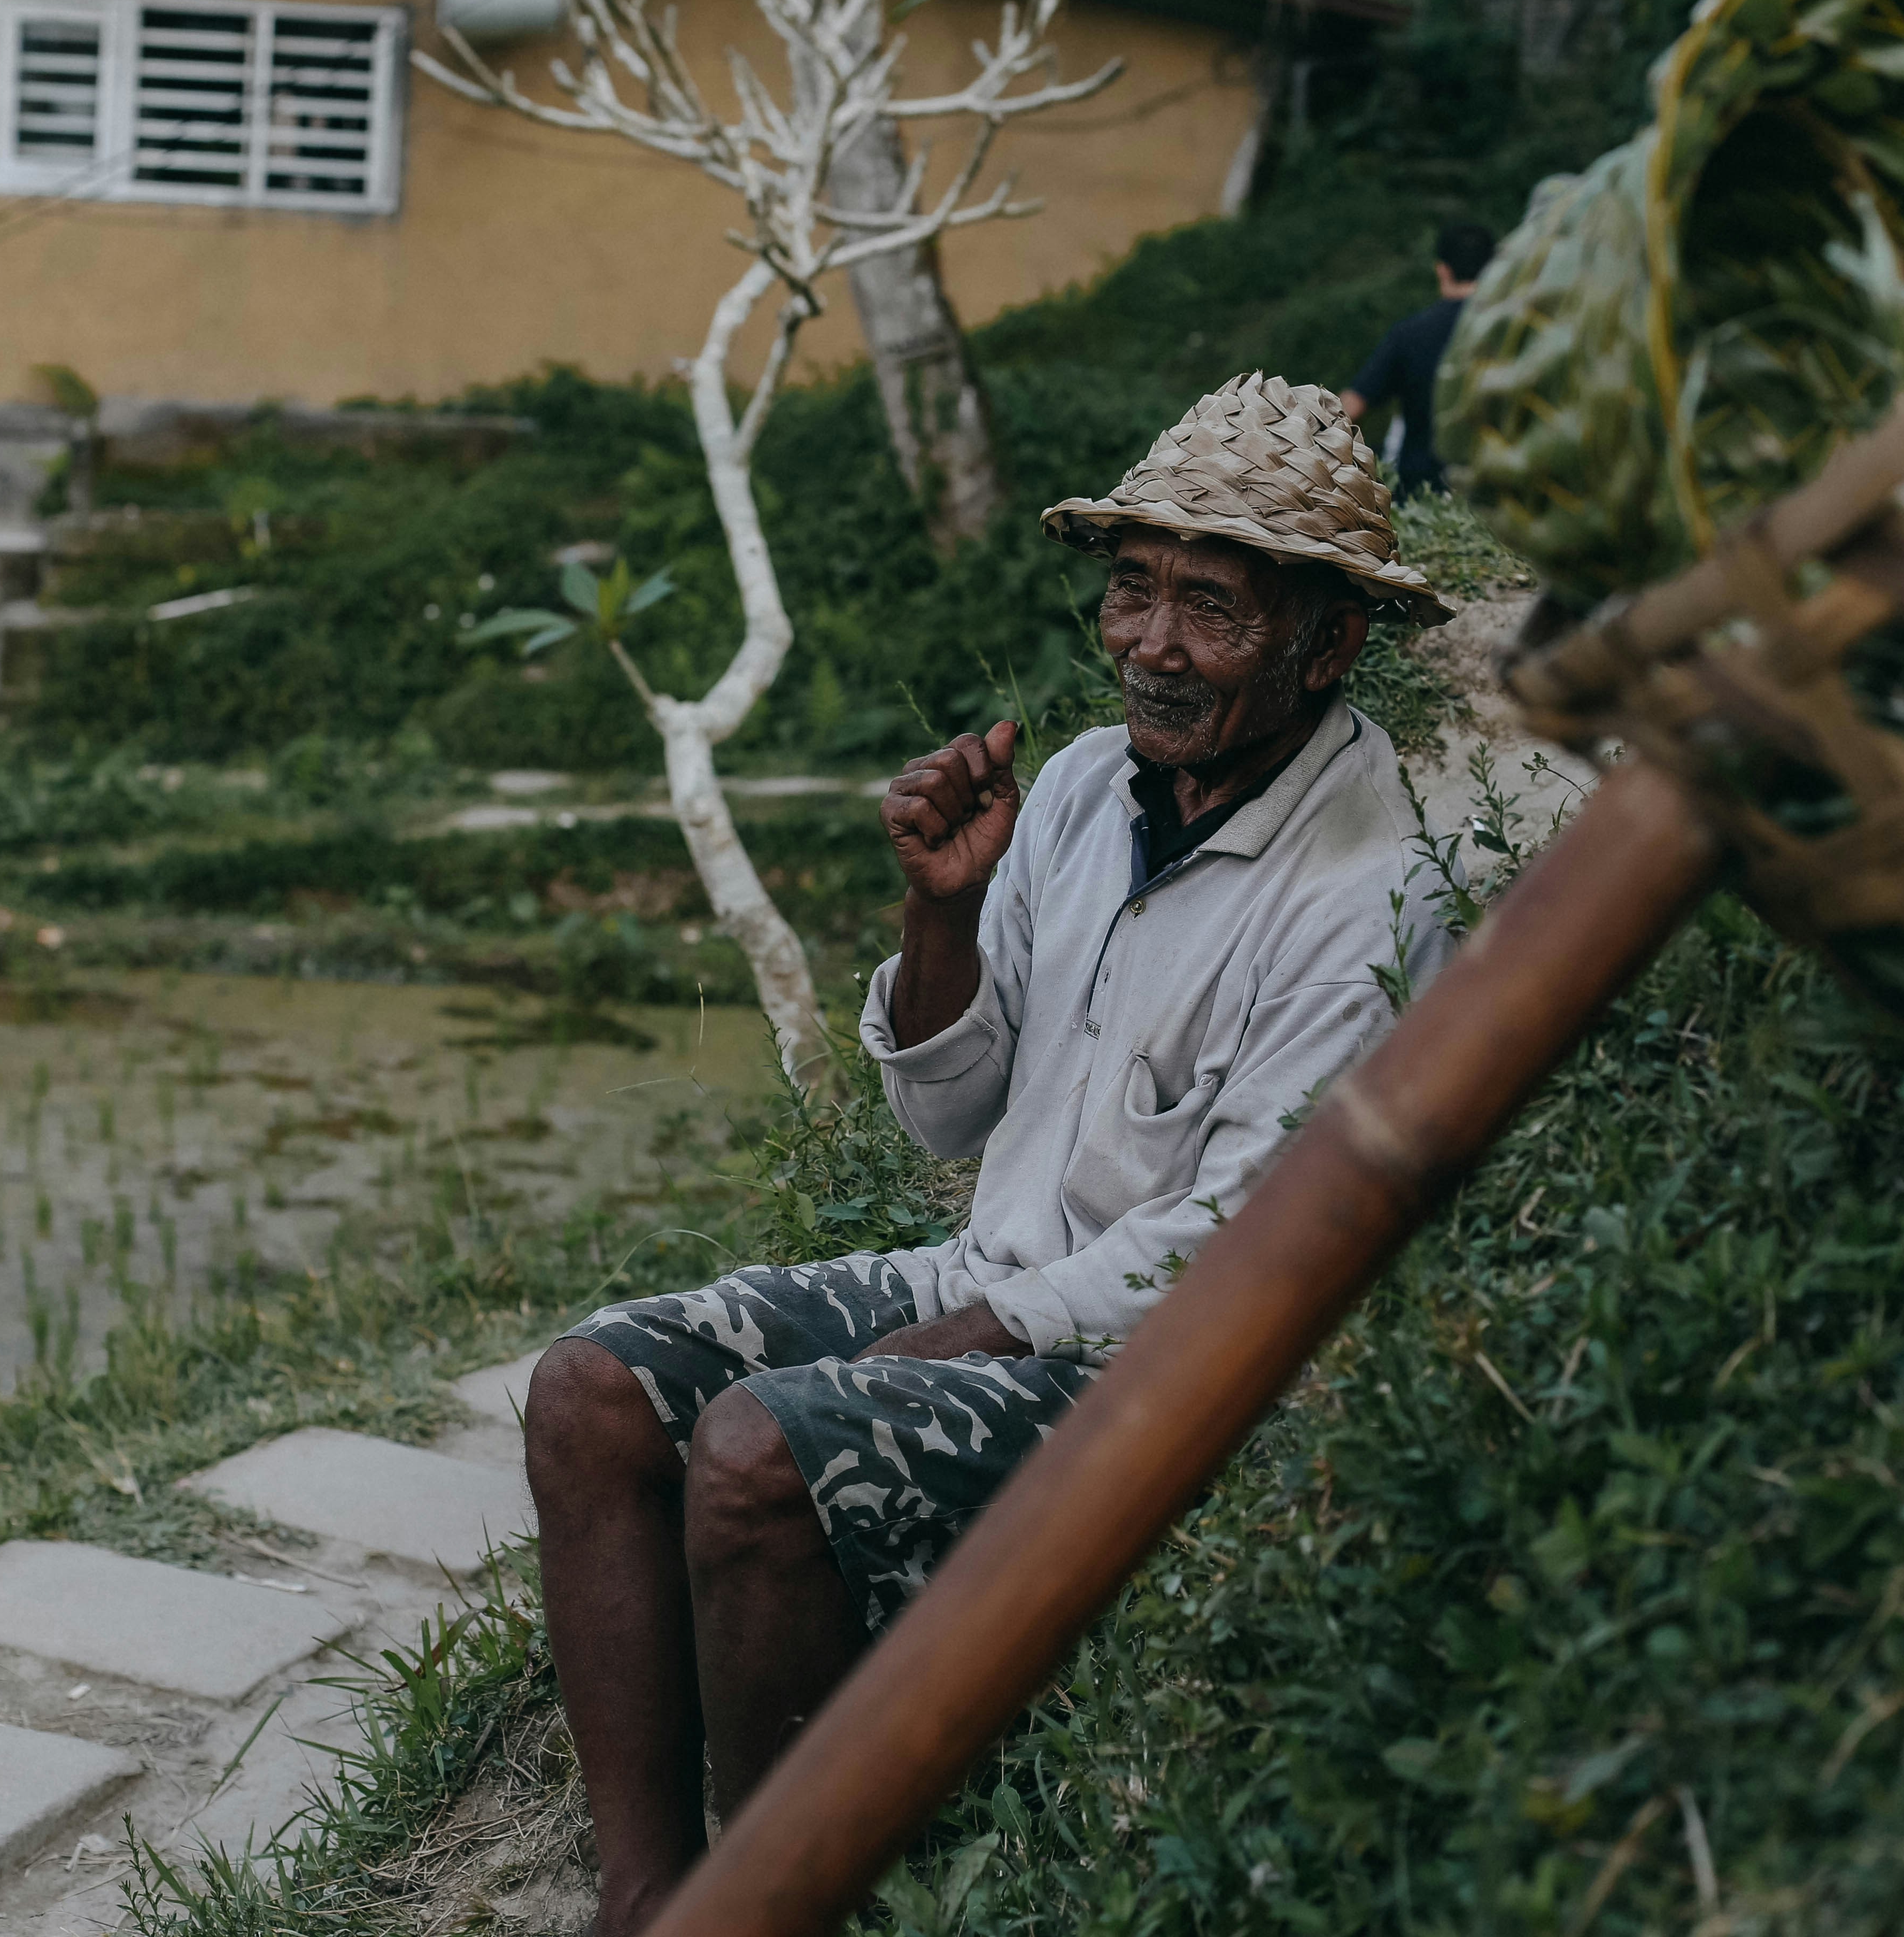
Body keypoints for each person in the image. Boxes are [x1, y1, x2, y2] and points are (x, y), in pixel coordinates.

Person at [516, 373, 1459, 1936]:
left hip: (1169, 1363)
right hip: (989, 1270)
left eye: (1213, 609)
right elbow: (949, 1118)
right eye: (1134, 591)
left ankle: (775, 1899)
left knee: (757, 1449)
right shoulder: (1087, 786)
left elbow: (1246, 1235)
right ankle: (645, 1896)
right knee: (589, 1394)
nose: (1154, 644)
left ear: (1329, 642)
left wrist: (971, 1329)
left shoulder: (1374, 884)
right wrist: (939, 912)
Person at [1341, 221, 1496, 493]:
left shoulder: (1410, 334)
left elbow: (1350, 408)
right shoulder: (1512, 332)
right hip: (1494, 500)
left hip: (1422, 501)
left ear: (1442, 270)